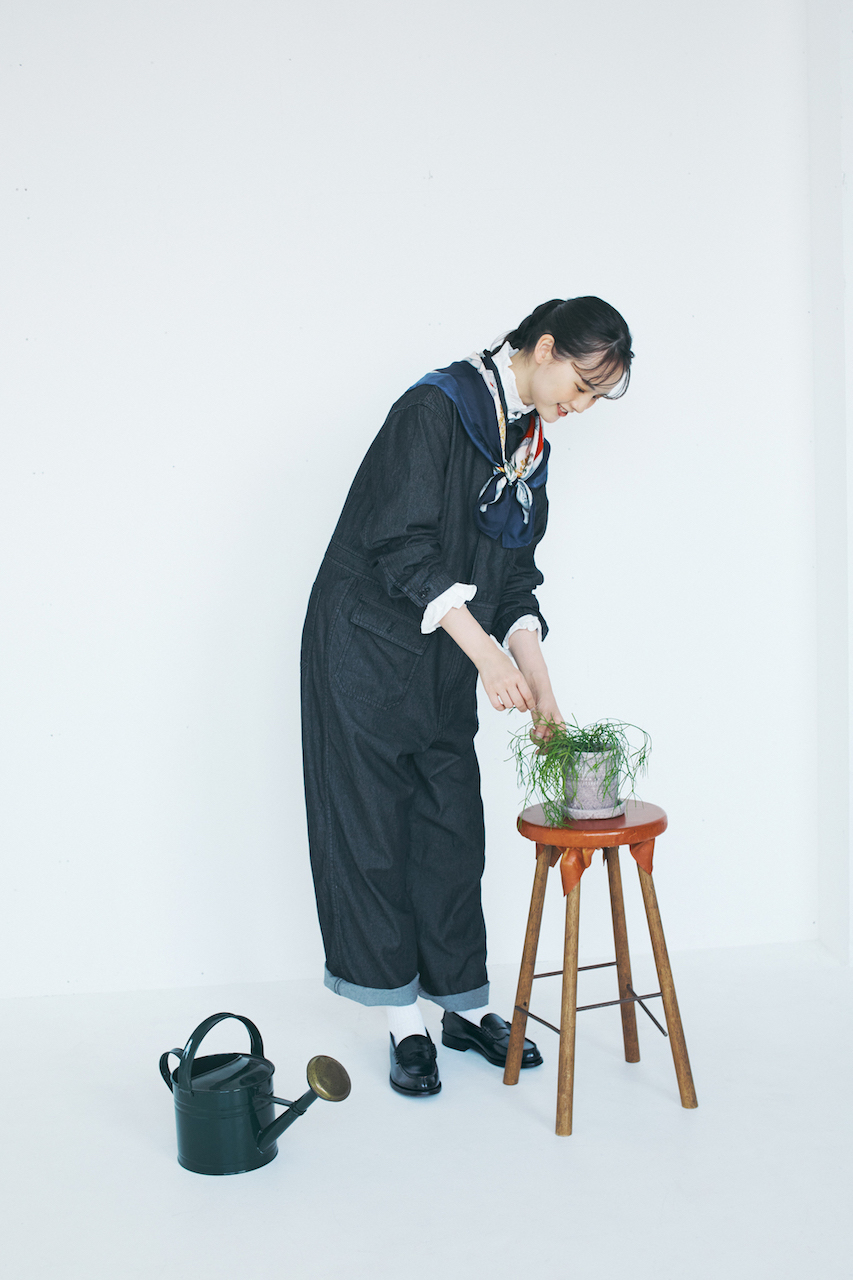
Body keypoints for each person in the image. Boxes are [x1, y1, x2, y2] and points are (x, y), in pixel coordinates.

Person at [300, 296, 633, 1096]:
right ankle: (401, 1022)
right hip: (363, 653)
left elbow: (513, 578)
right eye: (581, 385)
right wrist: (486, 656)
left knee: (450, 828)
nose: (580, 406)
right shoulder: (434, 408)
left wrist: (541, 688)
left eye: (594, 396)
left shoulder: (528, 443)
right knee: (374, 835)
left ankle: (460, 1006)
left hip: (444, 657)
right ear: (543, 348)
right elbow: (400, 546)